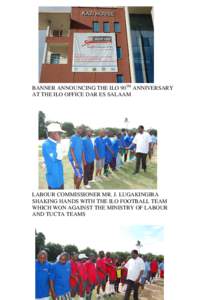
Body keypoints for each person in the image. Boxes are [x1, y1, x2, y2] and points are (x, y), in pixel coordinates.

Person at [42, 123, 65, 189]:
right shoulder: (46, 144)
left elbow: (60, 157)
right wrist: (59, 143)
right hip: (53, 180)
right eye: (59, 133)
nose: (61, 135)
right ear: (54, 133)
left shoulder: (56, 143)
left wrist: (58, 143)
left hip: (60, 177)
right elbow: (56, 158)